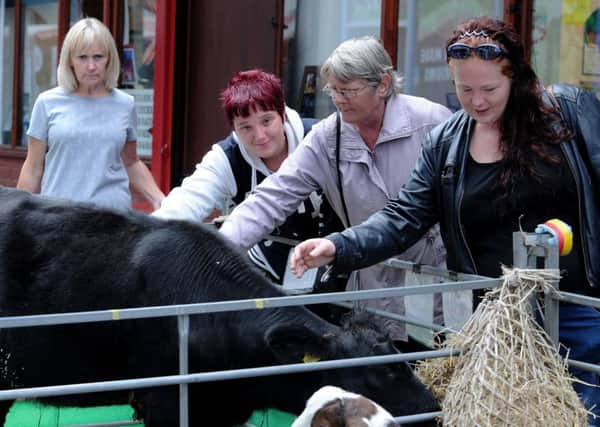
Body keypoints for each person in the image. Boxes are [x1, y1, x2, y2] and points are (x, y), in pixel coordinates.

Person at [290, 18, 600, 424]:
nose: (477, 102)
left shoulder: (570, 112)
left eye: (489, 89)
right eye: (464, 90)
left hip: (580, 311)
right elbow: (404, 216)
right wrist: (339, 245)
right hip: (496, 324)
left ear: (518, 76)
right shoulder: (446, 142)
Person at [219, 36, 452, 346]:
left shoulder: (432, 123)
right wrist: (217, 250)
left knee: (438, 366)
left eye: (348, 91)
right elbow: (273, 195)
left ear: (382, 84)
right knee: (382, 371)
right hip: (371, 283)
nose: (338, 100)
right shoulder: (329, 136)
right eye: (333, 90)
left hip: (436, 278)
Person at [153, 69, 325, 285]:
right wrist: (147, 240)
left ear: (282, 114)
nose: (260, 135)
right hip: (266, 271)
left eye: (266, 121)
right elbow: (188, 199)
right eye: (246, 127)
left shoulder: (319, 137)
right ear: (233, 128)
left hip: (334, 265)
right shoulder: (227, 157)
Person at [17, 17, 164, 211]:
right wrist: (15, 213)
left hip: (113, 218)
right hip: (59, 218)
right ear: (70, 59)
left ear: (109, 59)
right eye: (83, 57)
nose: (91, 66)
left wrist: (159, 199)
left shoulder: (125, 104)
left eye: (98, 57)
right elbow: (33, 167)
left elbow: (131, 161)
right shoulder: (47, 103)